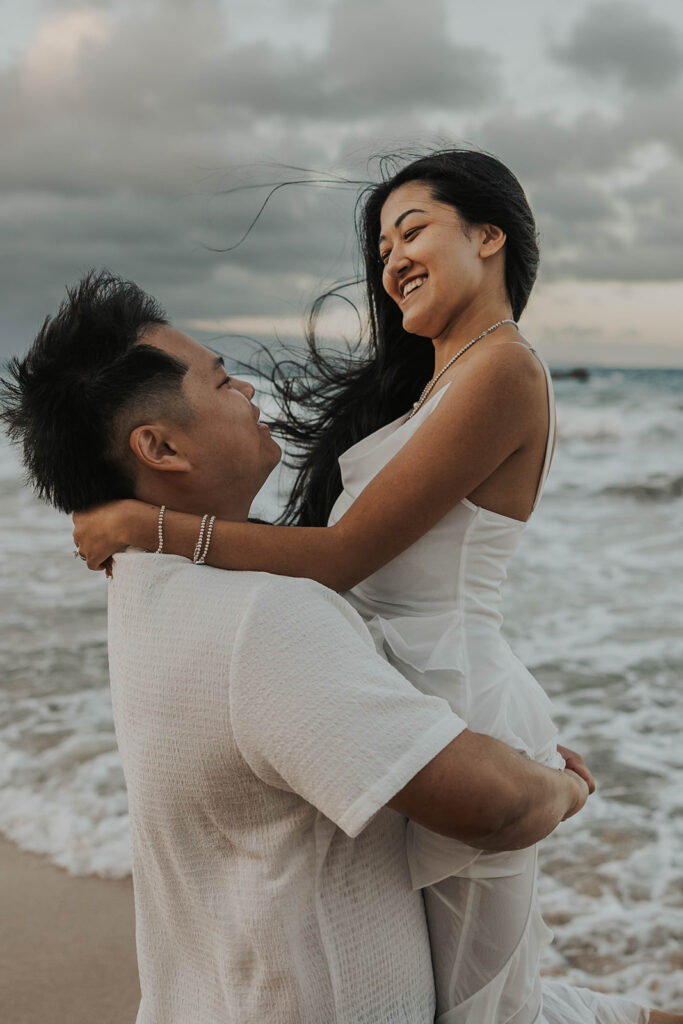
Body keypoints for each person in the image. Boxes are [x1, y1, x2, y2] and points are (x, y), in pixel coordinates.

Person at [70, 149, 678, 1024]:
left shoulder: (503, 369)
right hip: (396, 699)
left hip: (461, 702)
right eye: (381, 245)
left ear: (488, 235)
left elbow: (344, 553)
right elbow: (332, 559)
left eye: (413, 229)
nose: (390, 260)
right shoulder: (430, 389)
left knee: (485, 1016)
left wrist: (149, 528)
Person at [1, 272, 597, 1023]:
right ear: (159, 446)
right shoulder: (262, 619)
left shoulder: (144, 583)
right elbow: (499, 809)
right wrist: (566, 785)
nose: (248, 390)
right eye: (220, 382)